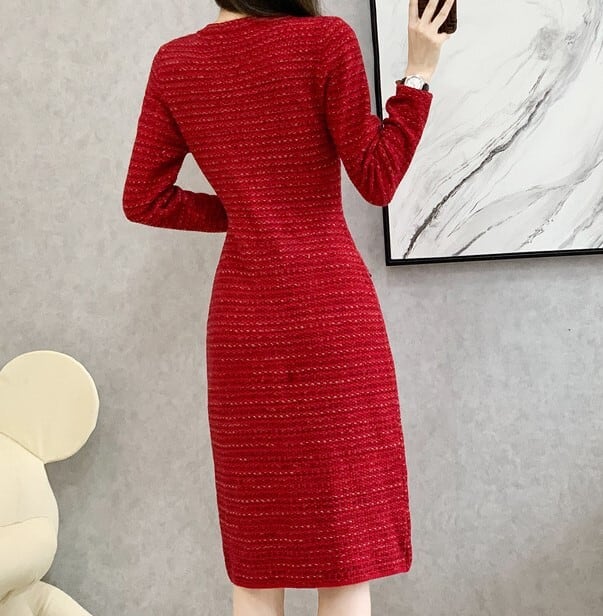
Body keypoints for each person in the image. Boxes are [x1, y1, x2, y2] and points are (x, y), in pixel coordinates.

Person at [122, 0, 454, 615]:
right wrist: (419, 75)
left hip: (243, 331)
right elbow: (377, 178)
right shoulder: (325, 42)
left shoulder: (175, 64)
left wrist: (243, 214)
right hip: (331, 318)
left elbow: (143, 197)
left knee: (257, 563)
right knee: (344, 561)